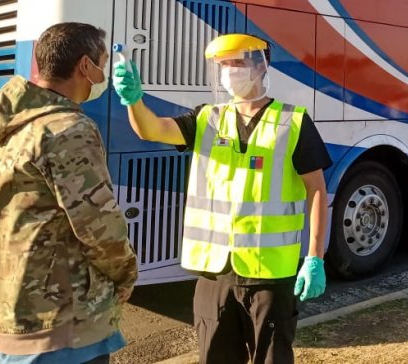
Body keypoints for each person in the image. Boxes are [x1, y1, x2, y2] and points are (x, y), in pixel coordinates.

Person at [112, 33, 331, 364]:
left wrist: (315, 257)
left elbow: (316, 188)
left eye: (237, 63)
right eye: (224, 65)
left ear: (261, 66)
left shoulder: (293, 121)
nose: (230, 71)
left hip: (270, 275)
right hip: (214, 273)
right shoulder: (207, 119)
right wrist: (134, 101)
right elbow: (151, 129)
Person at [0, 22, 138, 364]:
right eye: (102, 64)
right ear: (85, 66)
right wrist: (126, 274)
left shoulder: (8, 127)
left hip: (7, 311)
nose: (103, 75)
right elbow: (99, 226)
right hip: (60, 324)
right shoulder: (69, 129)